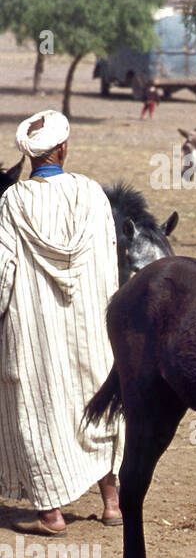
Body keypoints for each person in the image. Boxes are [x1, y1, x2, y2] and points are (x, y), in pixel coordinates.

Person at [0, 110, 122, 534]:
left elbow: (4, 268)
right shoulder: (91, 193)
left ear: (29, 155)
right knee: (97, 401)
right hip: (90, 322)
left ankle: (50, 514)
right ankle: (111, 503)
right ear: (64, 147)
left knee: (38, 408)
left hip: (34, 327)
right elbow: (110, 258)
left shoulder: (14, 201)